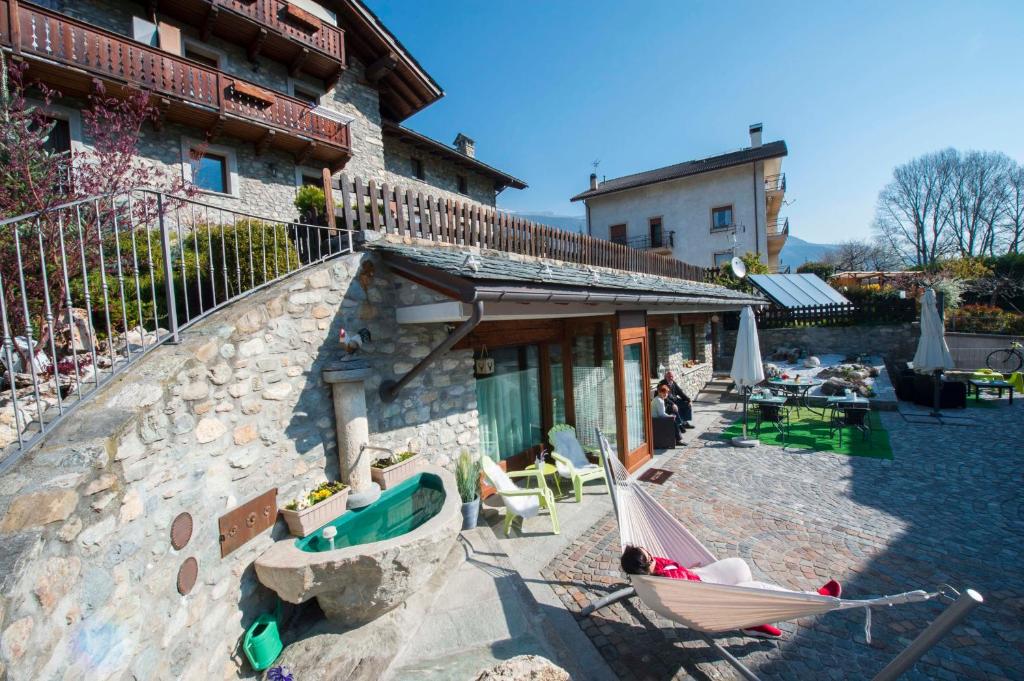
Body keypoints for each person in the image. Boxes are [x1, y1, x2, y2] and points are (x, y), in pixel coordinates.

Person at [620, 545, 842, 639]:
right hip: (705, 601)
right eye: (648, 558)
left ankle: (751, 622)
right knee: (751, 591)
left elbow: (675, 568)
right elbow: (683, 589)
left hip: (700, 579)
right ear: (644, 569)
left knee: (739, 565)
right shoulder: (662, 584)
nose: (652, 555)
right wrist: (684, 573)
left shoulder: (653, 569)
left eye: (646, 550)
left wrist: (689, 569)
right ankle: (815, 596)